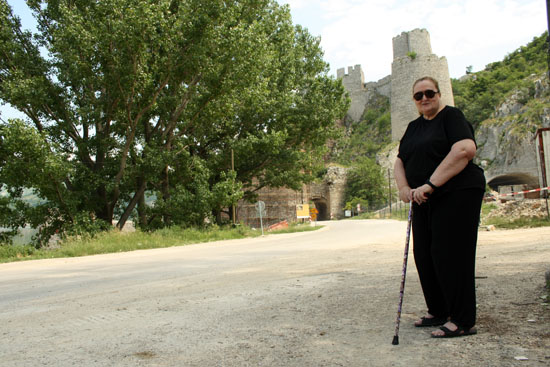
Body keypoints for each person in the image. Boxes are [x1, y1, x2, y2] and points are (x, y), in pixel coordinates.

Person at [394, 76, 486, 338]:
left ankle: (463, 319)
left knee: (451, 253)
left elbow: (464, 150)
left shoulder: (452, 117)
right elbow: (400, 161)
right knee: (424, 253)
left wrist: (430, 184)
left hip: (457, 192)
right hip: (423, 197)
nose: (424, 99)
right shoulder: (413, 127)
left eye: (429, 93)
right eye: (418, 96)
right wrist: (404, 189)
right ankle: (439, 309)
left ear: (439, 93)